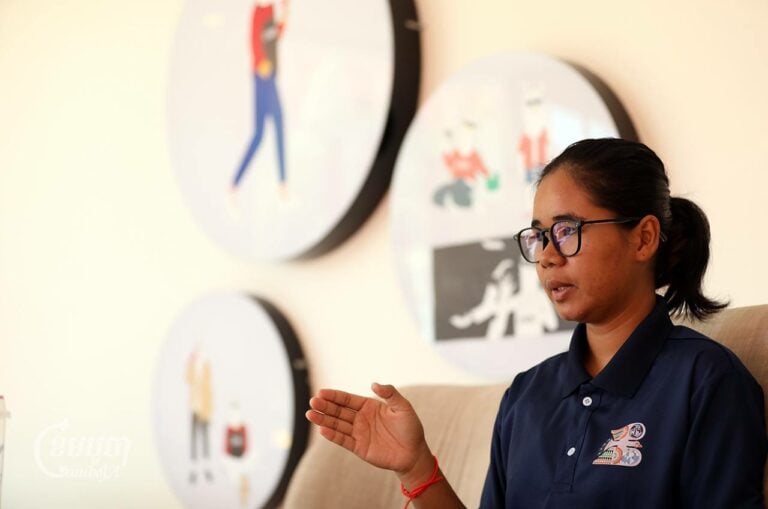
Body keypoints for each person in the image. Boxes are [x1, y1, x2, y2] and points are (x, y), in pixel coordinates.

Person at [305, 138, 767, 508]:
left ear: (643, 238)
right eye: (539, 236)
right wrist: (417, 469)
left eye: (567, 231)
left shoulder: (706, 382)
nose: (546, 257)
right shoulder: (527, 395)